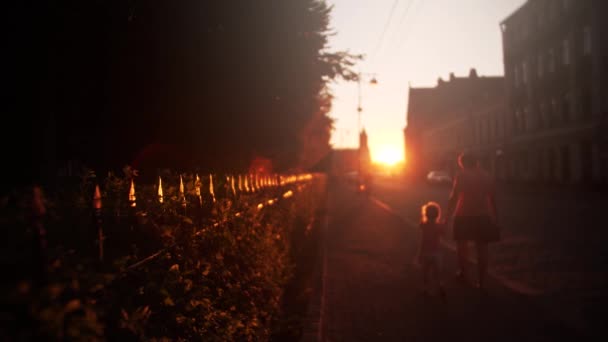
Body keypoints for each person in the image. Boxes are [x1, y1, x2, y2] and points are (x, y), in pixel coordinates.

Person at [445, 152, 499, 290]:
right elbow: (492, 199)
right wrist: (496, 218)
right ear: (476, 161)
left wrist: (446, 218)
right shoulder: (487, 176)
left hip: (463, 215)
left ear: (462, 163)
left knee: (462, 248)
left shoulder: (461, 176)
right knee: (482, 250)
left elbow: (454, 198)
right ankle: (481, 281)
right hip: (482, 215)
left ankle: (464, 274)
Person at [417, 201, 447, 301]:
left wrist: (419, 254)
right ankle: (440, 286)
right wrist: (445, 224)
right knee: (437, 272)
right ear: (438, 214)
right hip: (437, 253)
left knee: (425, 272)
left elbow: (422, 240)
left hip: (426, 252)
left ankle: (425, 288)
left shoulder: (424, 225)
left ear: (425, 213)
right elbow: (444, 234)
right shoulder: (439, 226)